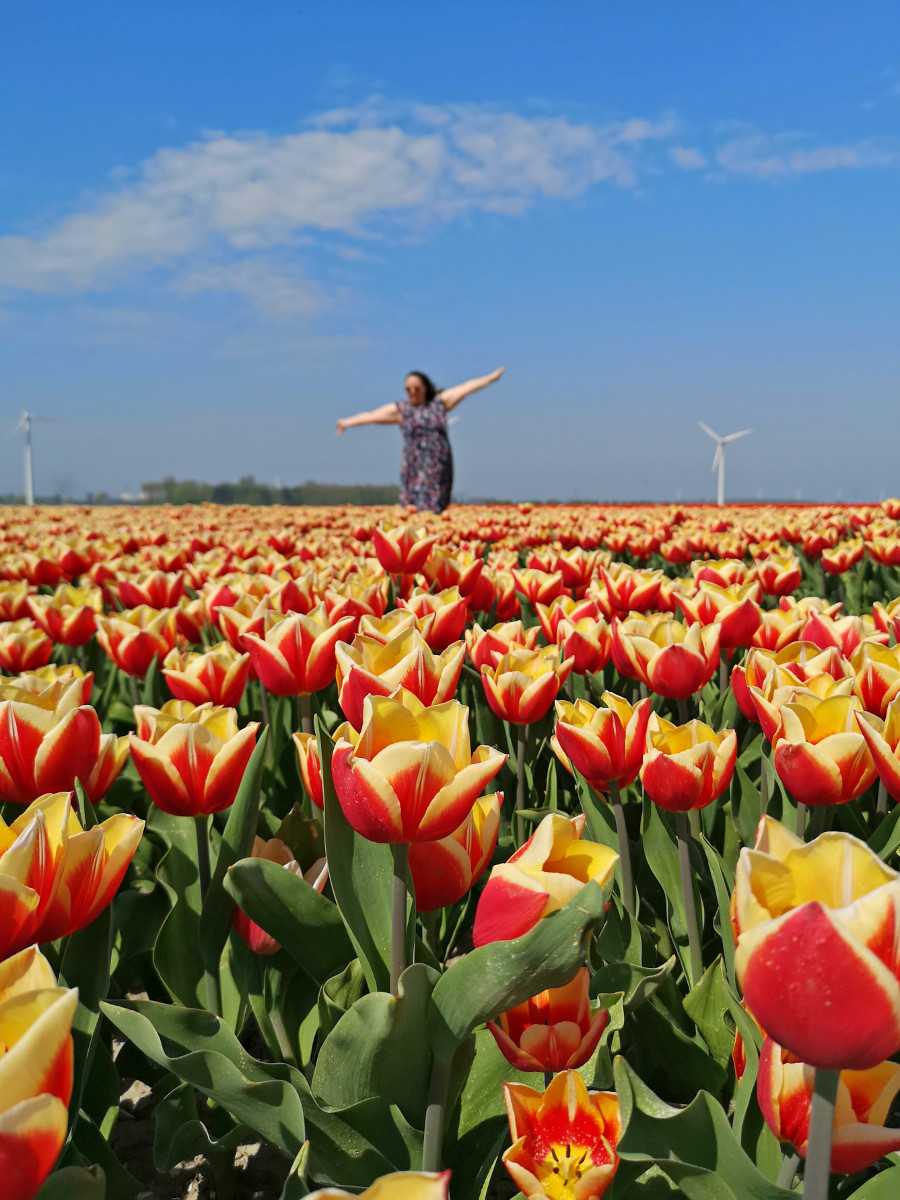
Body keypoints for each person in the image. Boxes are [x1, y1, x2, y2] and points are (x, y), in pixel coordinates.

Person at [335, 367, 505, 513]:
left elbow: (465, 388)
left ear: (425, 387)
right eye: (408, 389)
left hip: (439, 466)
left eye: (416, 388)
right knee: (414, 505)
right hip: (414, 468)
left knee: (435, 505)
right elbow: (370, 416)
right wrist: (346, 423)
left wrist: (491, 378)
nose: (412, 392)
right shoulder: (402, 410)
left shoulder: (439, 404)